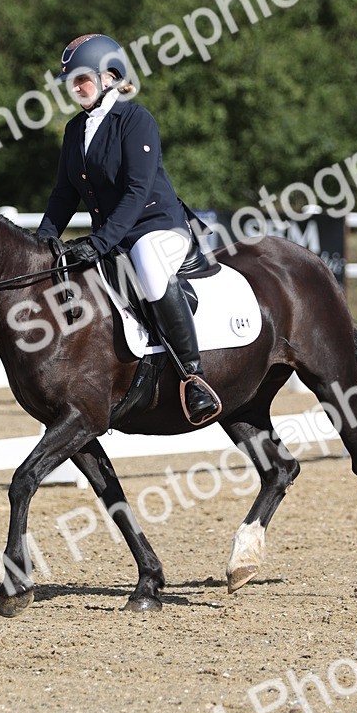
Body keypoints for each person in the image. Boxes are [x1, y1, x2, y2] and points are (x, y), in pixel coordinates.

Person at [36, 32, 221, 425]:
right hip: (113, 236)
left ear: (109, 77)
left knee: (150, 267)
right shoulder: (75, 129)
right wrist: (41, 242)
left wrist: (100, 241)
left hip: (156, 227)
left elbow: (137, 191)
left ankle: (194, 377)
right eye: (71, 81)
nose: (75, 87)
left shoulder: (136, 120)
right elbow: (63, 196)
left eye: (82, 78)